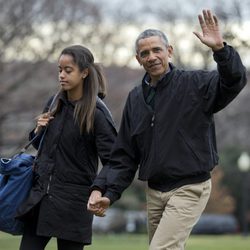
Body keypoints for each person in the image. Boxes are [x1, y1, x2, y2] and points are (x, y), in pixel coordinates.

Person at [87, 9, 247, 250]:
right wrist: (106, 191)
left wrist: (220, 50)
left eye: (156, 50)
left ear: (169, 51)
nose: (151, 57)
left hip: (190, 187)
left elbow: (234, 80)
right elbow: (124, 157)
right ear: (138, 59)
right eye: (145, 53)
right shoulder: (135, 99)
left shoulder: (196, 85)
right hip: (155, 191)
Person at [16, 45, 117, 250]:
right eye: (59, 70)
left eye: (68, 70)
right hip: (40, 200)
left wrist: (99, 191)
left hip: (74, 206)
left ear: (84, 72)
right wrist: (37, 131)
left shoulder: (97, 113)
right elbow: (43, 147)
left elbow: (114, 161)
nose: (61, 75)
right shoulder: (54, 103)